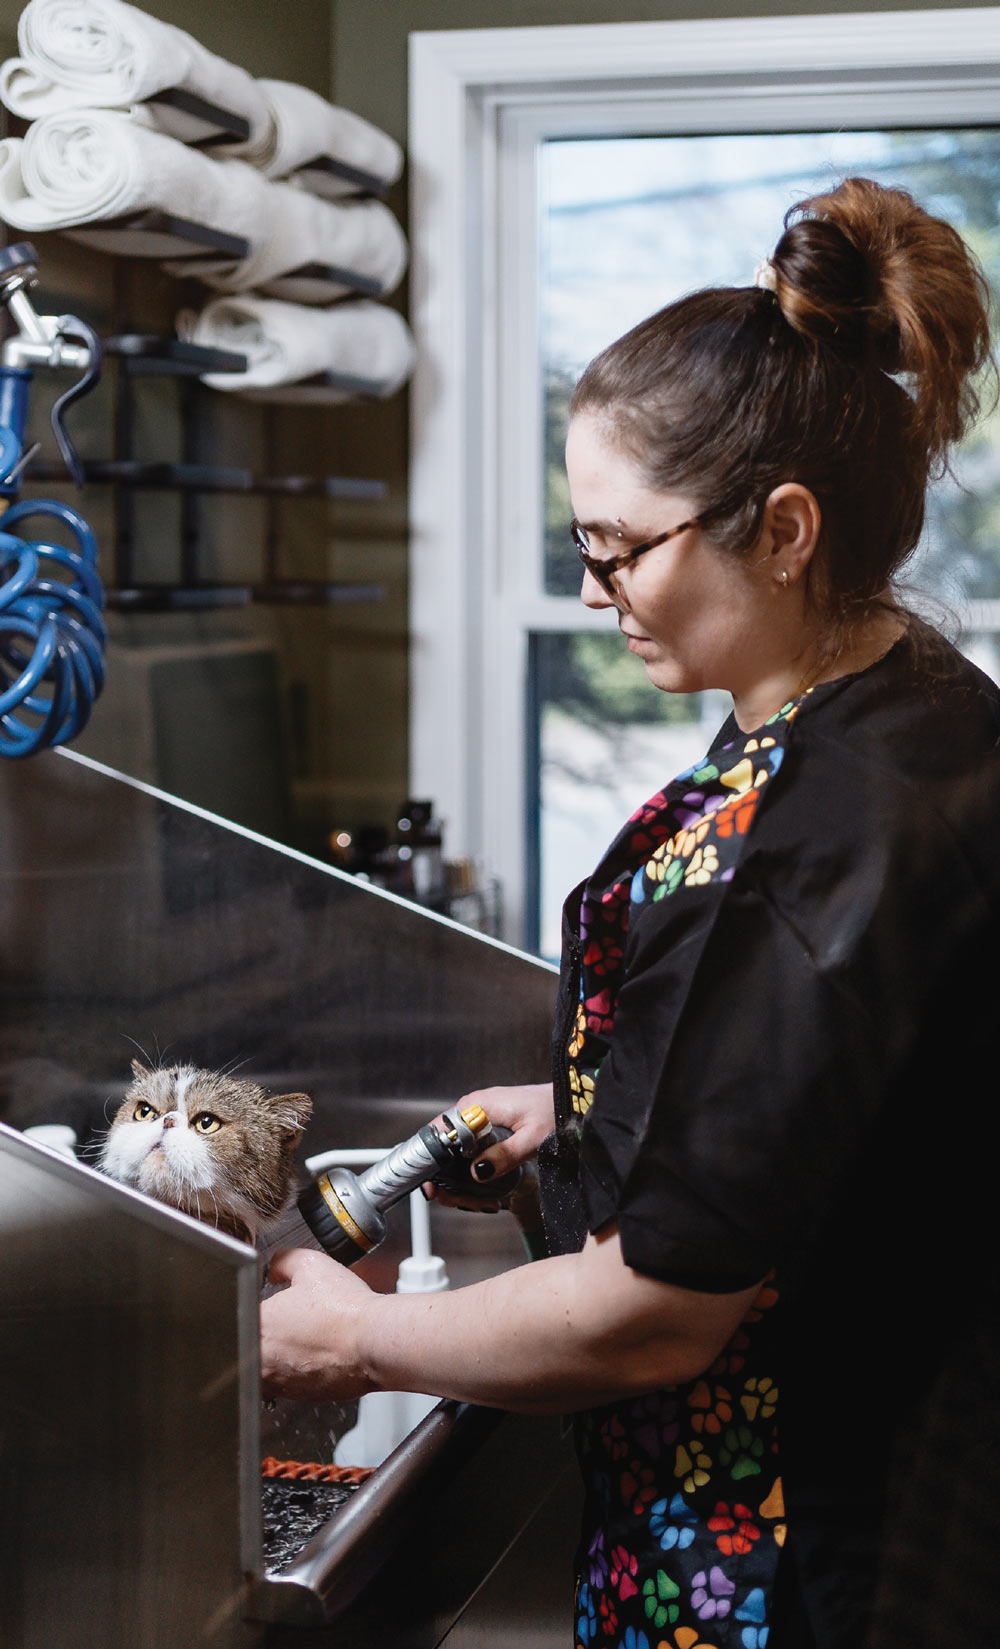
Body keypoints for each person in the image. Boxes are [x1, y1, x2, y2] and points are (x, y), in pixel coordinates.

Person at [260, 177, 1000, 1648]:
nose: (595, 590)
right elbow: (839, 1091)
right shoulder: (896, 703)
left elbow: (659, 1310)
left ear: (783, 529)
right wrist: (595, 1116)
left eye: (618, 546)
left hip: (795, 1548)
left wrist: (357, 1337)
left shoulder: (820, 833)